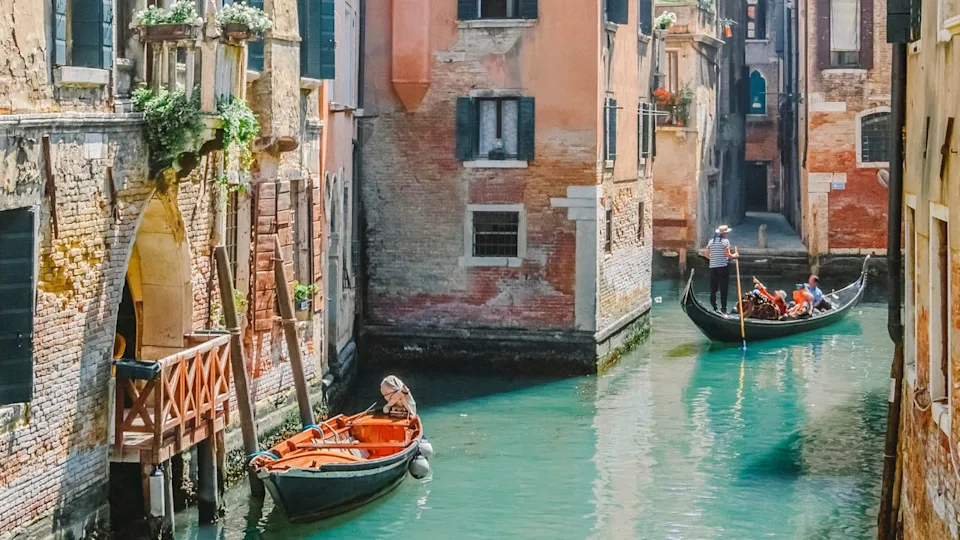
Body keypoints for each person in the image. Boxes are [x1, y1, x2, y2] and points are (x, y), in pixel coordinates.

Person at [702, 225, 739, 314]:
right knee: (723, 288)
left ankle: (714, 307)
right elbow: (728, 255)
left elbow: (706, 254)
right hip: (723, 267)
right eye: (727, 233)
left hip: (713, 267)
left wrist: (714, 258)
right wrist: (736, 255)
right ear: (725, 233)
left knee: (713, 288)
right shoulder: (725, 242)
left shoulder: (712, 241)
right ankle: (723, 308)